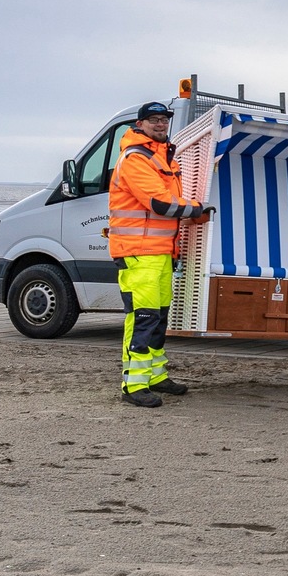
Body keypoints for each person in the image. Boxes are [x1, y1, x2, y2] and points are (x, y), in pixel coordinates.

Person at [109, 102, 213, 408]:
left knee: (157, 319)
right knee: (142, 319)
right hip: (138, 254)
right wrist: (195, 209)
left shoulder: (161, 156)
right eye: (153, 120)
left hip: (159, 254)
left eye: (164, 120)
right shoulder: (136, 158)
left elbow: (168, 204)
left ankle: (155, 377)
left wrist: (189, 211)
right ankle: (133, 385)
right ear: (140, 124)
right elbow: (159, 202)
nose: (160, 124)